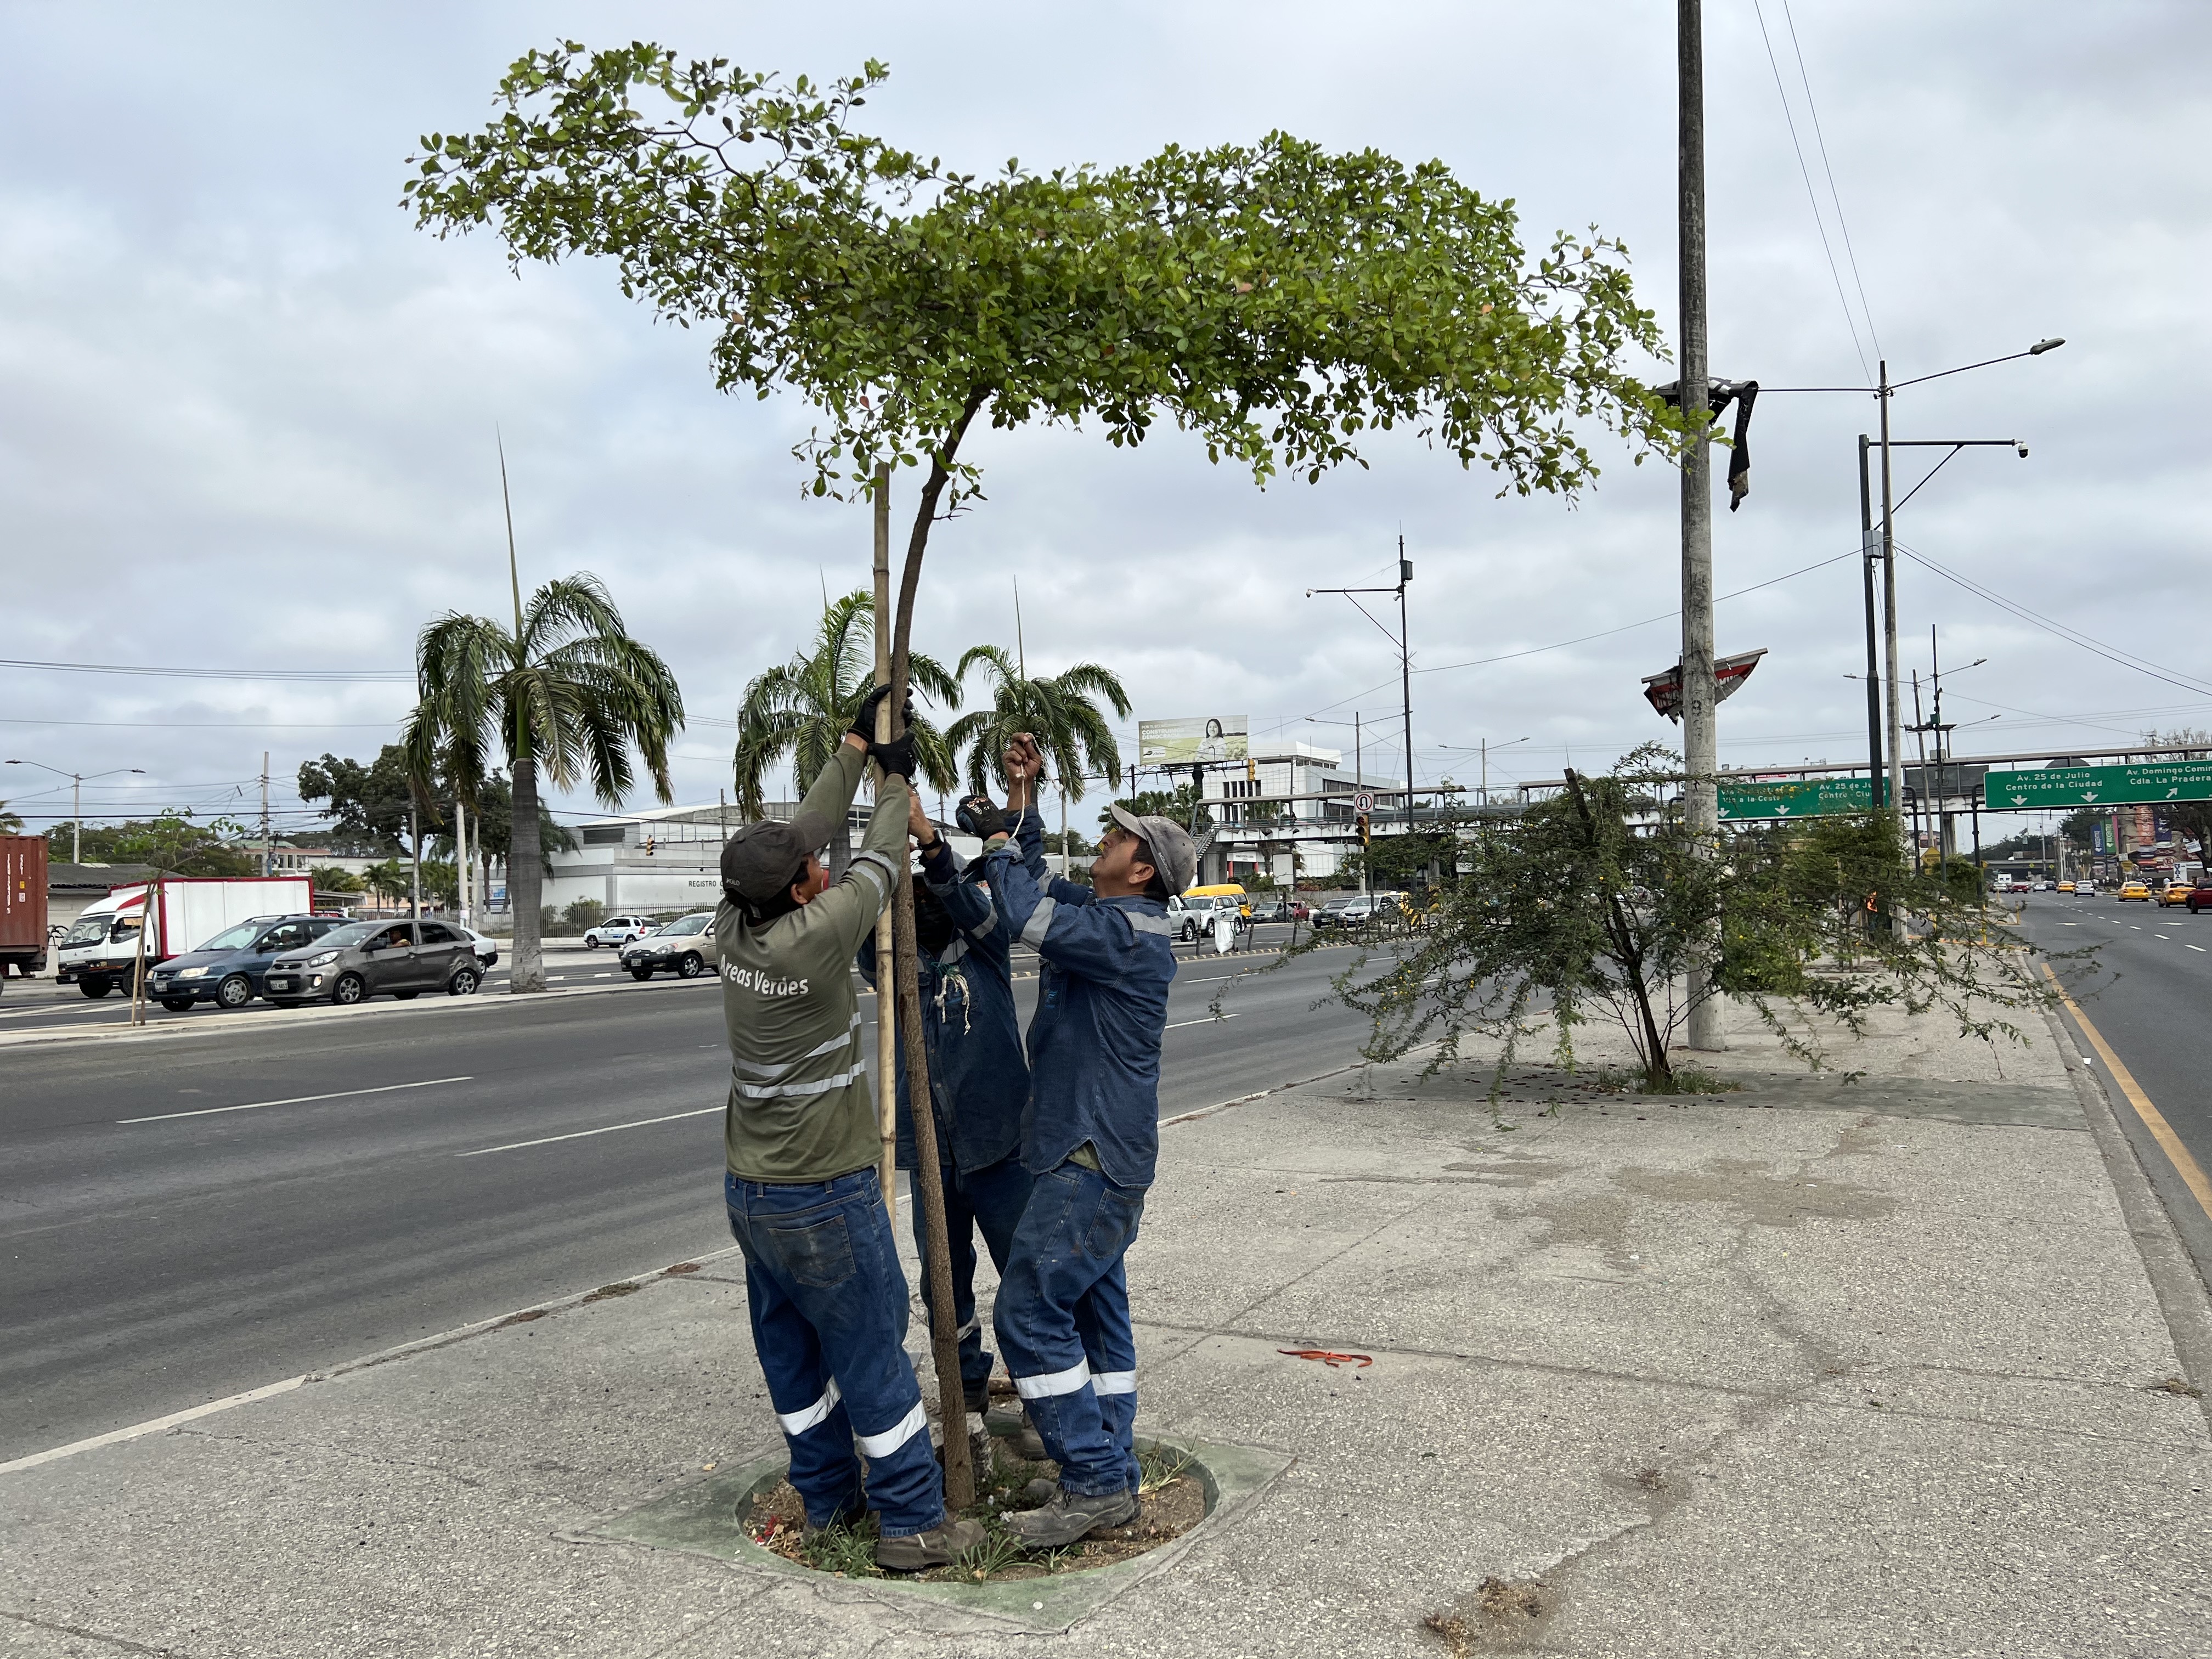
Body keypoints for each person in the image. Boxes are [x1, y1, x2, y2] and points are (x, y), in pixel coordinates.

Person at [713, 685, 981, 1572]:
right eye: (808, 872)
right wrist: (898, 784)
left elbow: (802, 830)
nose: (817, 869)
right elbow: (876, 859)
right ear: (800, 892)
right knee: (871, 1344)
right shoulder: (820, 934)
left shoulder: (734, 926)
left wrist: (853, 745)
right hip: (826, 1189)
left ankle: (828, 1501)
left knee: (791, 1353)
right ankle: (909, 1520)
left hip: (751, 1194)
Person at [975, 741, 1195, 1548]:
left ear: (1143, 872)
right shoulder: (1109, 917)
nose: (1107, 839)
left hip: (1090, 1157)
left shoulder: (1127, 937)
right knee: (1098, 1315)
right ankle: (1107, 1462)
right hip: (1091, 1151)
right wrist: (1020, 797)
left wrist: (994, 843)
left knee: (1029, 1312)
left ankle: (1095, 1482)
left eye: (1120, 839)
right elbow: (1039, 883)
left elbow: (1026, 912)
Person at [855, 788, 1032, 1427]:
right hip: (932, 1156)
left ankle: (1044, 1397)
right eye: (914, 899)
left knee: (1026, 1274)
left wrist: (931, 847)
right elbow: (858, 927)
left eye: (933, 895)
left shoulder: (983, 947)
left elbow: (968, 901)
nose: (925, 904)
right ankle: (967, 1394)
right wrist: (882, 861)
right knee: (943, 1286)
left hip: (1001, 1144)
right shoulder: (894, 969)